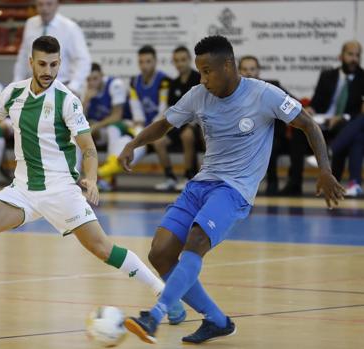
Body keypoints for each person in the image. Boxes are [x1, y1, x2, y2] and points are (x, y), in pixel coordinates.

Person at [0, 36, 186, 327]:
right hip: (22, 189)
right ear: (31, 62)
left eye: (54, 64)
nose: (48, 70)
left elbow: (88, 147)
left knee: (103, 249)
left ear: (60, 63)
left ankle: (165, 295)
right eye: (43, 64)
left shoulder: (66, 100)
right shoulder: (14, 93)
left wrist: (91, 179)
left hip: (60, 190)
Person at [119, 35, 344, 345]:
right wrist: (133, 143)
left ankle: (155, 315)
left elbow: (309, 125)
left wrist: (325, 170)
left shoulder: (264, 94)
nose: (203, 78)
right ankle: (217, 321)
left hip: (234, 189)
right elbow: (165, 124)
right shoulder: (198, 95)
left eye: (208, 70)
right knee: (160, 253)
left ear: (228, 65)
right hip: (201, 183)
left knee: (195, 241)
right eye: (200, 71)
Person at [98, 45, 171, 188]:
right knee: (121, 139)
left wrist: (147, 129)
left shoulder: (164, 81)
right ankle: (106, 177)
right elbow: (136, 110)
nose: (144, 66)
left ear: (155, 62)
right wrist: (139, 125)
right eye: (141, 62)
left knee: (135, 144)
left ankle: (100, 174)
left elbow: (163, 110)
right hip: (141, 127)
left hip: (160, 127)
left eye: (148, 61)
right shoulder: (134, 82)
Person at [239, 55, 308, 196]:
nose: (249, 72)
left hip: (275, 136)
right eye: (245, 69)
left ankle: (290, 184)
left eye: (252, 69)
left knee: (293, 137)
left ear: (258, 71)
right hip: (245, 136)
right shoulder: (234, 93)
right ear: (239, 71)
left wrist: (306, 109)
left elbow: (292, 101)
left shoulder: (272, 86)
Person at [308, 40, 364, 197]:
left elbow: (359, 113)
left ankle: (331, 151)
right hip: (324, 119)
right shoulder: (327, 76)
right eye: (350, 54)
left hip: (348, 123)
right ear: (341, 56)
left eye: (357, 55)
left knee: (356, 132)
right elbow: (316, 101)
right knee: (357, 136)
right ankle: (355, 183)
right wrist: (311, 109)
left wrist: (342, 117)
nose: (354, 59)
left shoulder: (362, 78)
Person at [13, 0, 91, 96]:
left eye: (49, 4)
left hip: (61, 87)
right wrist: (16, 84)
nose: (44, 8)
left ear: (57, 5)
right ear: (36, 6)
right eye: (40, 4)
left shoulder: (70, 28)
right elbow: (23, 56)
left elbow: (83, 59)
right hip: (33, 88)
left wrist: (74, 86)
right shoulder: (30, 24)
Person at [153, 46, 201, 191]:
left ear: (190, 60)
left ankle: (188, 176)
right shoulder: (173, 84)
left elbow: (203, 105)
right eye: (176, 61)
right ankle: (170, 178)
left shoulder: (198, 79)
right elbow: (171, 109)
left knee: (187, 136)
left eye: (183, 60)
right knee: (158, 141)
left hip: (197, 123)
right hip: (179, 124)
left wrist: (193, 124)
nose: (180, 63)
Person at [82, 63, 129, 190]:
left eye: (95, 78)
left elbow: (117, 116)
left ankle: (107, 178)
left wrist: (96, 126)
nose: (92, 82)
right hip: (100, 131)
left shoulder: (115, 85)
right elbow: (78, 118)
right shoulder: (85, 89)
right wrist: (86, 100)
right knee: (79, 134)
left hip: (121, 129)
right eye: (89, 79)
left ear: (102, 76)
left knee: (111, 130)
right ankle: (72, 178)